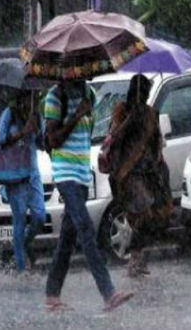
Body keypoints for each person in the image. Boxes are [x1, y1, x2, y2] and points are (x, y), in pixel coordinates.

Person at [43, 80, 133, 312]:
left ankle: (52, 294)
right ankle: (108, 292)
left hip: (83, 173)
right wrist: (75, 115)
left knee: (68, 237)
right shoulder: (55, 97)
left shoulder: (89, 93)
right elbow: (53, 141)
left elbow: (87, 134)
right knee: (86, 228)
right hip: (65, 173)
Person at [106, 75, 172, 278]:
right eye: (142, 92)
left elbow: (157, 143)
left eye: (147, 93)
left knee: (157, 215)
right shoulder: (121, 110)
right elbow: (113, 137)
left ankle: (138, 256)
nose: (145, 96)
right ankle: (135, 259)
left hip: (149, 173)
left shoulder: (151, 114)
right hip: (128, 173)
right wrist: (130, 120)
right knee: (143, 210)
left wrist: (157, 162)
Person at [0, 91, 45, 274]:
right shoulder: (9, 114)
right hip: (15, 175)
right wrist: (21, 133)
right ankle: (22, 266)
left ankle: (21, 245)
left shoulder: (36, 116)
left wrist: (37, 130)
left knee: (39, 216)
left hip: (33, 173)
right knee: (20, 218)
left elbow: (42, 143)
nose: (30, 100)